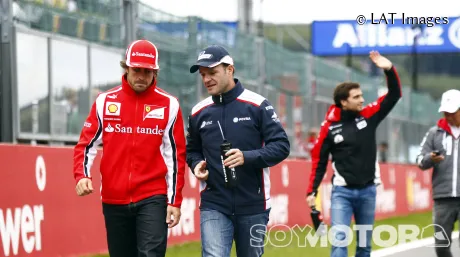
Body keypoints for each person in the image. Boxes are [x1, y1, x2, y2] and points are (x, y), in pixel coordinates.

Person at [72, 39, 186, 257]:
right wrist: (82, 175)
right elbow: (86, 144)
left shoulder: (170, 105)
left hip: (153, 196)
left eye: (147, 71)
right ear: (126, 68)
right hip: (113, 198)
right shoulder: (105, 101)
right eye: (136, 70)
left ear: (155, 72)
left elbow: (176, 157)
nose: (142, 76)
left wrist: (174, 201)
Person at [186, 45, 290, 257]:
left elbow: (281, 146)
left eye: (212, 73)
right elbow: (192, 151)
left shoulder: (257, 105)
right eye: (203, 75)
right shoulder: (198, 112)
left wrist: (247, 157)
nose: (206, 79)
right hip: (214, 203)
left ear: (230, 70)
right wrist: (196, 164)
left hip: (254, 204)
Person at [305, 51, 402, 257]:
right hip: (342, 193)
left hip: (368, 192)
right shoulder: (328, 128)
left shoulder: (368, 116)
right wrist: (311, 191)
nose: (362, 100)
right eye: (356, 97)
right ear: (343, 102)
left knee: (364, 248)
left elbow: (394, 95)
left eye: (361, 95)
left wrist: (389, 69)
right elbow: (318, 162)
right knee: (339, 244)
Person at [416, 89, 460, 257]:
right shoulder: (435, 133)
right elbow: (419, 160)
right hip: (443, 198)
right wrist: (430, 159)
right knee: (441, 246)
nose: (448, 116)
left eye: (452, 112)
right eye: (445, 112)